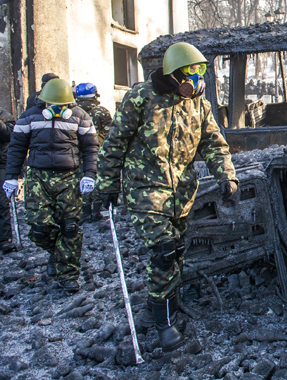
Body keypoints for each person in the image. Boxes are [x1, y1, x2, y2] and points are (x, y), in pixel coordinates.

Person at [95, 42, 238, 352]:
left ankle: (153, 307)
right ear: (174, 73)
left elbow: (214, 144)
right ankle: (164, 322)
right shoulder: (142, 97)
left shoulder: (199, 105)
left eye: (203, 71)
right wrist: (106, 184)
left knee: (176, 254)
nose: (199, 78)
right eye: (192, 71)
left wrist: (226, 175)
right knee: (164, 250)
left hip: (181, 193)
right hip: (145, 189)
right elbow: (115, 141)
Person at [3, 78, 99, 292]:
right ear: (43, 102)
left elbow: (91, 148)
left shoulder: (81, 117)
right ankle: (59, 254)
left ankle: (68, 276)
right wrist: (11, 176)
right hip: (38, 177)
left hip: (69, 178)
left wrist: (89, 174)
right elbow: (17, 147)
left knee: (70, 227)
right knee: (39, 228)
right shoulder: (28, 117)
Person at [75, 83, 113, 223]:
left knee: (82, 179)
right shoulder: (101, 112)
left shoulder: (74, 111)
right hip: (98, 151)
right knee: (97, 180)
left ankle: (84, 212)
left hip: (78, 153)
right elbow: (111, 134)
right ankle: (96, 212)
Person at [0, 109, 16, 253]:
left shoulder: (5, 117)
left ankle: (5, 239)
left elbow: (11, 136)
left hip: (1, 164)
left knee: (2, 202)